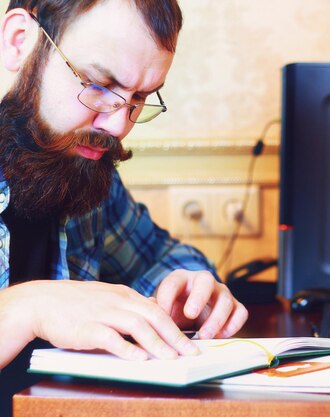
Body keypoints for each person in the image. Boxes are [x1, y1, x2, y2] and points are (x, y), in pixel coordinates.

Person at [0, 0, 248, 413]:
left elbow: (158, 259)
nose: (118, 126)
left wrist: (190, 293)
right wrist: (28, 308)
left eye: (138, 98)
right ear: (19, 41)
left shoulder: (83, 174)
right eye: (97, 85)